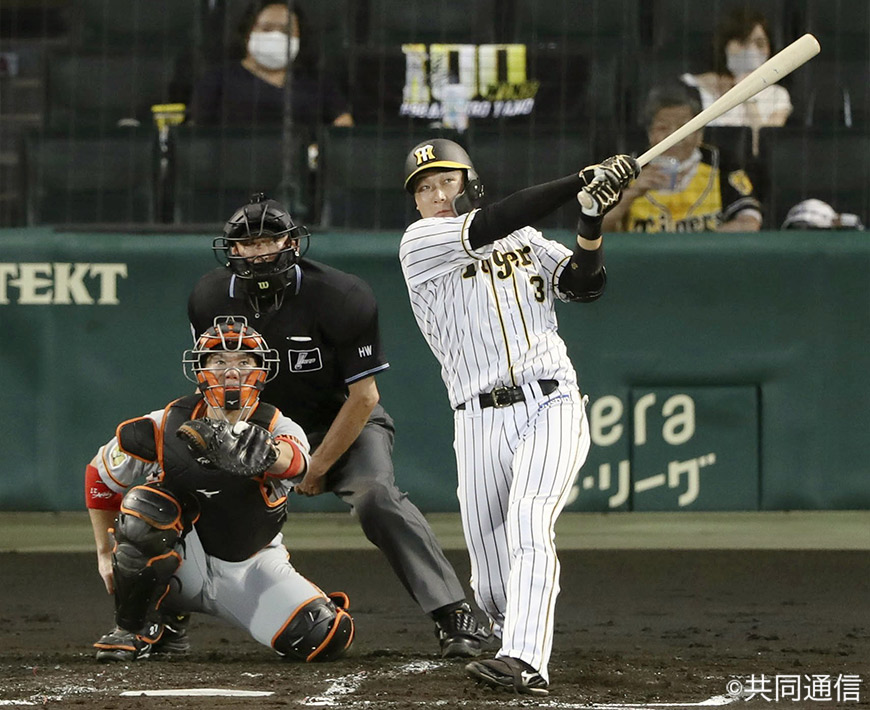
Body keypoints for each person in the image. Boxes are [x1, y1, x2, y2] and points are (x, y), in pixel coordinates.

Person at [187, 193, 490, 659]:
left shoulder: (340, 295)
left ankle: (454, 615)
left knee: (377, 497)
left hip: (342, 421)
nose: (259, 251)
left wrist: (316, 464)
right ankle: (159, 621)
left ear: (292, 242)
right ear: (231, 251)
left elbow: (365, 396)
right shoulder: (209, 296)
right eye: (247, 244)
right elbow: (214, 384)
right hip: (256, 426)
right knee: (175, 494)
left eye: (270, 239)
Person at [398, 138, 640, 694]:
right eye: (424, 189)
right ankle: (510, 629)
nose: (436, 194)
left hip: (550, 399)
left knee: (530, 520)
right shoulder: (420, 244)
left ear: (470, 182)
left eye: (446, 181)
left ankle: (525, 661)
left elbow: (583, 284)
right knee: (489, 572)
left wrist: (590, 218)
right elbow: (495, 221)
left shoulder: (526, 240)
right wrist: (580, 179)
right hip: (477, 417)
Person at [87, 316, 354, 662]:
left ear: (261, 371)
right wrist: (104, 553)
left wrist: (265, 454)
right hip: (182, 563)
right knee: (145, 508)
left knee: (325, 636)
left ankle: (174, 618)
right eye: (219, 361)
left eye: (244, 361)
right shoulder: (163, 424)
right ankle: (138, 625)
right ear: (201, 371)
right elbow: (99, 476)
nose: (232, 372)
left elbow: (299, 465)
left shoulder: (279, 426)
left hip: (250, 565)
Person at [602, 83, 762, 233]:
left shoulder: (722, 163)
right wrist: (633, 192)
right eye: (662, 128)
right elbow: (595, 228)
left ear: (699, 134)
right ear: (650, 134)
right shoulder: (624, 167)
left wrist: (700, 245)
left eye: (683, 128)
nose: (673, 137)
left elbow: (750, 221)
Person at [190, 1, 353, 130]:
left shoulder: (318, 82)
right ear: (248, 34)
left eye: (286, 31)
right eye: (266, 28)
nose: (276, 36)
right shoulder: (217, 80)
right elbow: (198, 135)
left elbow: (343, 127)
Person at [681, 7, 792, 154]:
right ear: (724, 45)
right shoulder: (690, 86)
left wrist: (747, 91)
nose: (752, 51)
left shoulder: (777, 96)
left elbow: (760, 150)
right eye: (743, 42)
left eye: (759, 44)